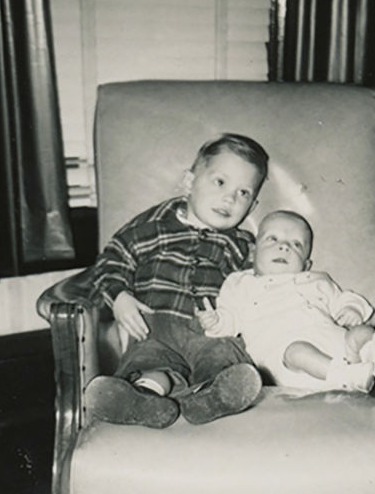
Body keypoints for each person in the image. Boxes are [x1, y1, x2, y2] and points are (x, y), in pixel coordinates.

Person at [81, 133, 270, 428]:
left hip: (211, 329)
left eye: (243, 192)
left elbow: (261, 286)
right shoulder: (152, 228)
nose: (230, 197)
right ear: (188, 182)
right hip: (152, 324)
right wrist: (119, 297)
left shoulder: (243, 246)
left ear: (252, 207)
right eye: (220, 182)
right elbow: (112, 260)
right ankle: (143, 400)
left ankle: (213, 398)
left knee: (224, 358)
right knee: (151, 363)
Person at [199, 210, 375, 392]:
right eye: (273, 239)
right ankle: (345, 377)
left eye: (296, 244)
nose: (284, 247)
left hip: (336, 345)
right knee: (298, 351)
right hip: (287, 360)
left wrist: (352, 309)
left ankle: (372, 357)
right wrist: (216, 322)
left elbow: (344, 299)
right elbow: (230, 319)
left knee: (360, 334)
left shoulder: (317, 279)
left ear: (306, 265)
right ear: (253, 252)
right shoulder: (240, 283)